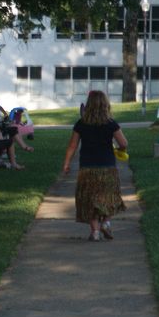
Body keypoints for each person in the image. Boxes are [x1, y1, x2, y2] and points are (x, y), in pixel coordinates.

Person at [63, 90, 127, 241]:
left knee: (89, 199)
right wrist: (120, 150)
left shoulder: (81, 123)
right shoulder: (111, 124)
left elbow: (72, 146)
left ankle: (95, 232)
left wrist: (66, 164)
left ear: (89, 105)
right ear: (106, 105)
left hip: (87, 168)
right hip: (108, 168)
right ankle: (106, 223)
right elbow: (124, 143)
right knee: (109, 198)